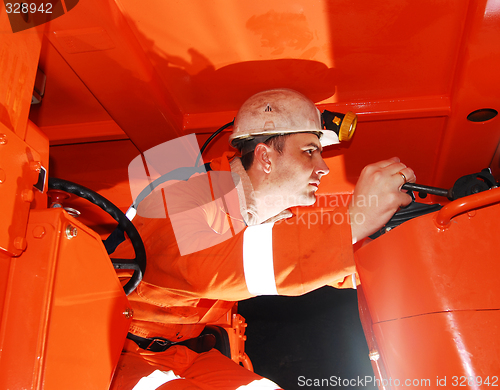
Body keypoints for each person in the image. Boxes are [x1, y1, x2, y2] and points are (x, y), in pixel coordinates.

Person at [109, 88, 415, 390]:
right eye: (310, 151)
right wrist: (352, 221)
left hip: (186, 355)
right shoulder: (181, 193)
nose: (323, 168)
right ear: (265, 156)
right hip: (113, 351)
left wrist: (397, 248)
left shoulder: (266, 218)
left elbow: (321, 255)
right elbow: (210, 265)